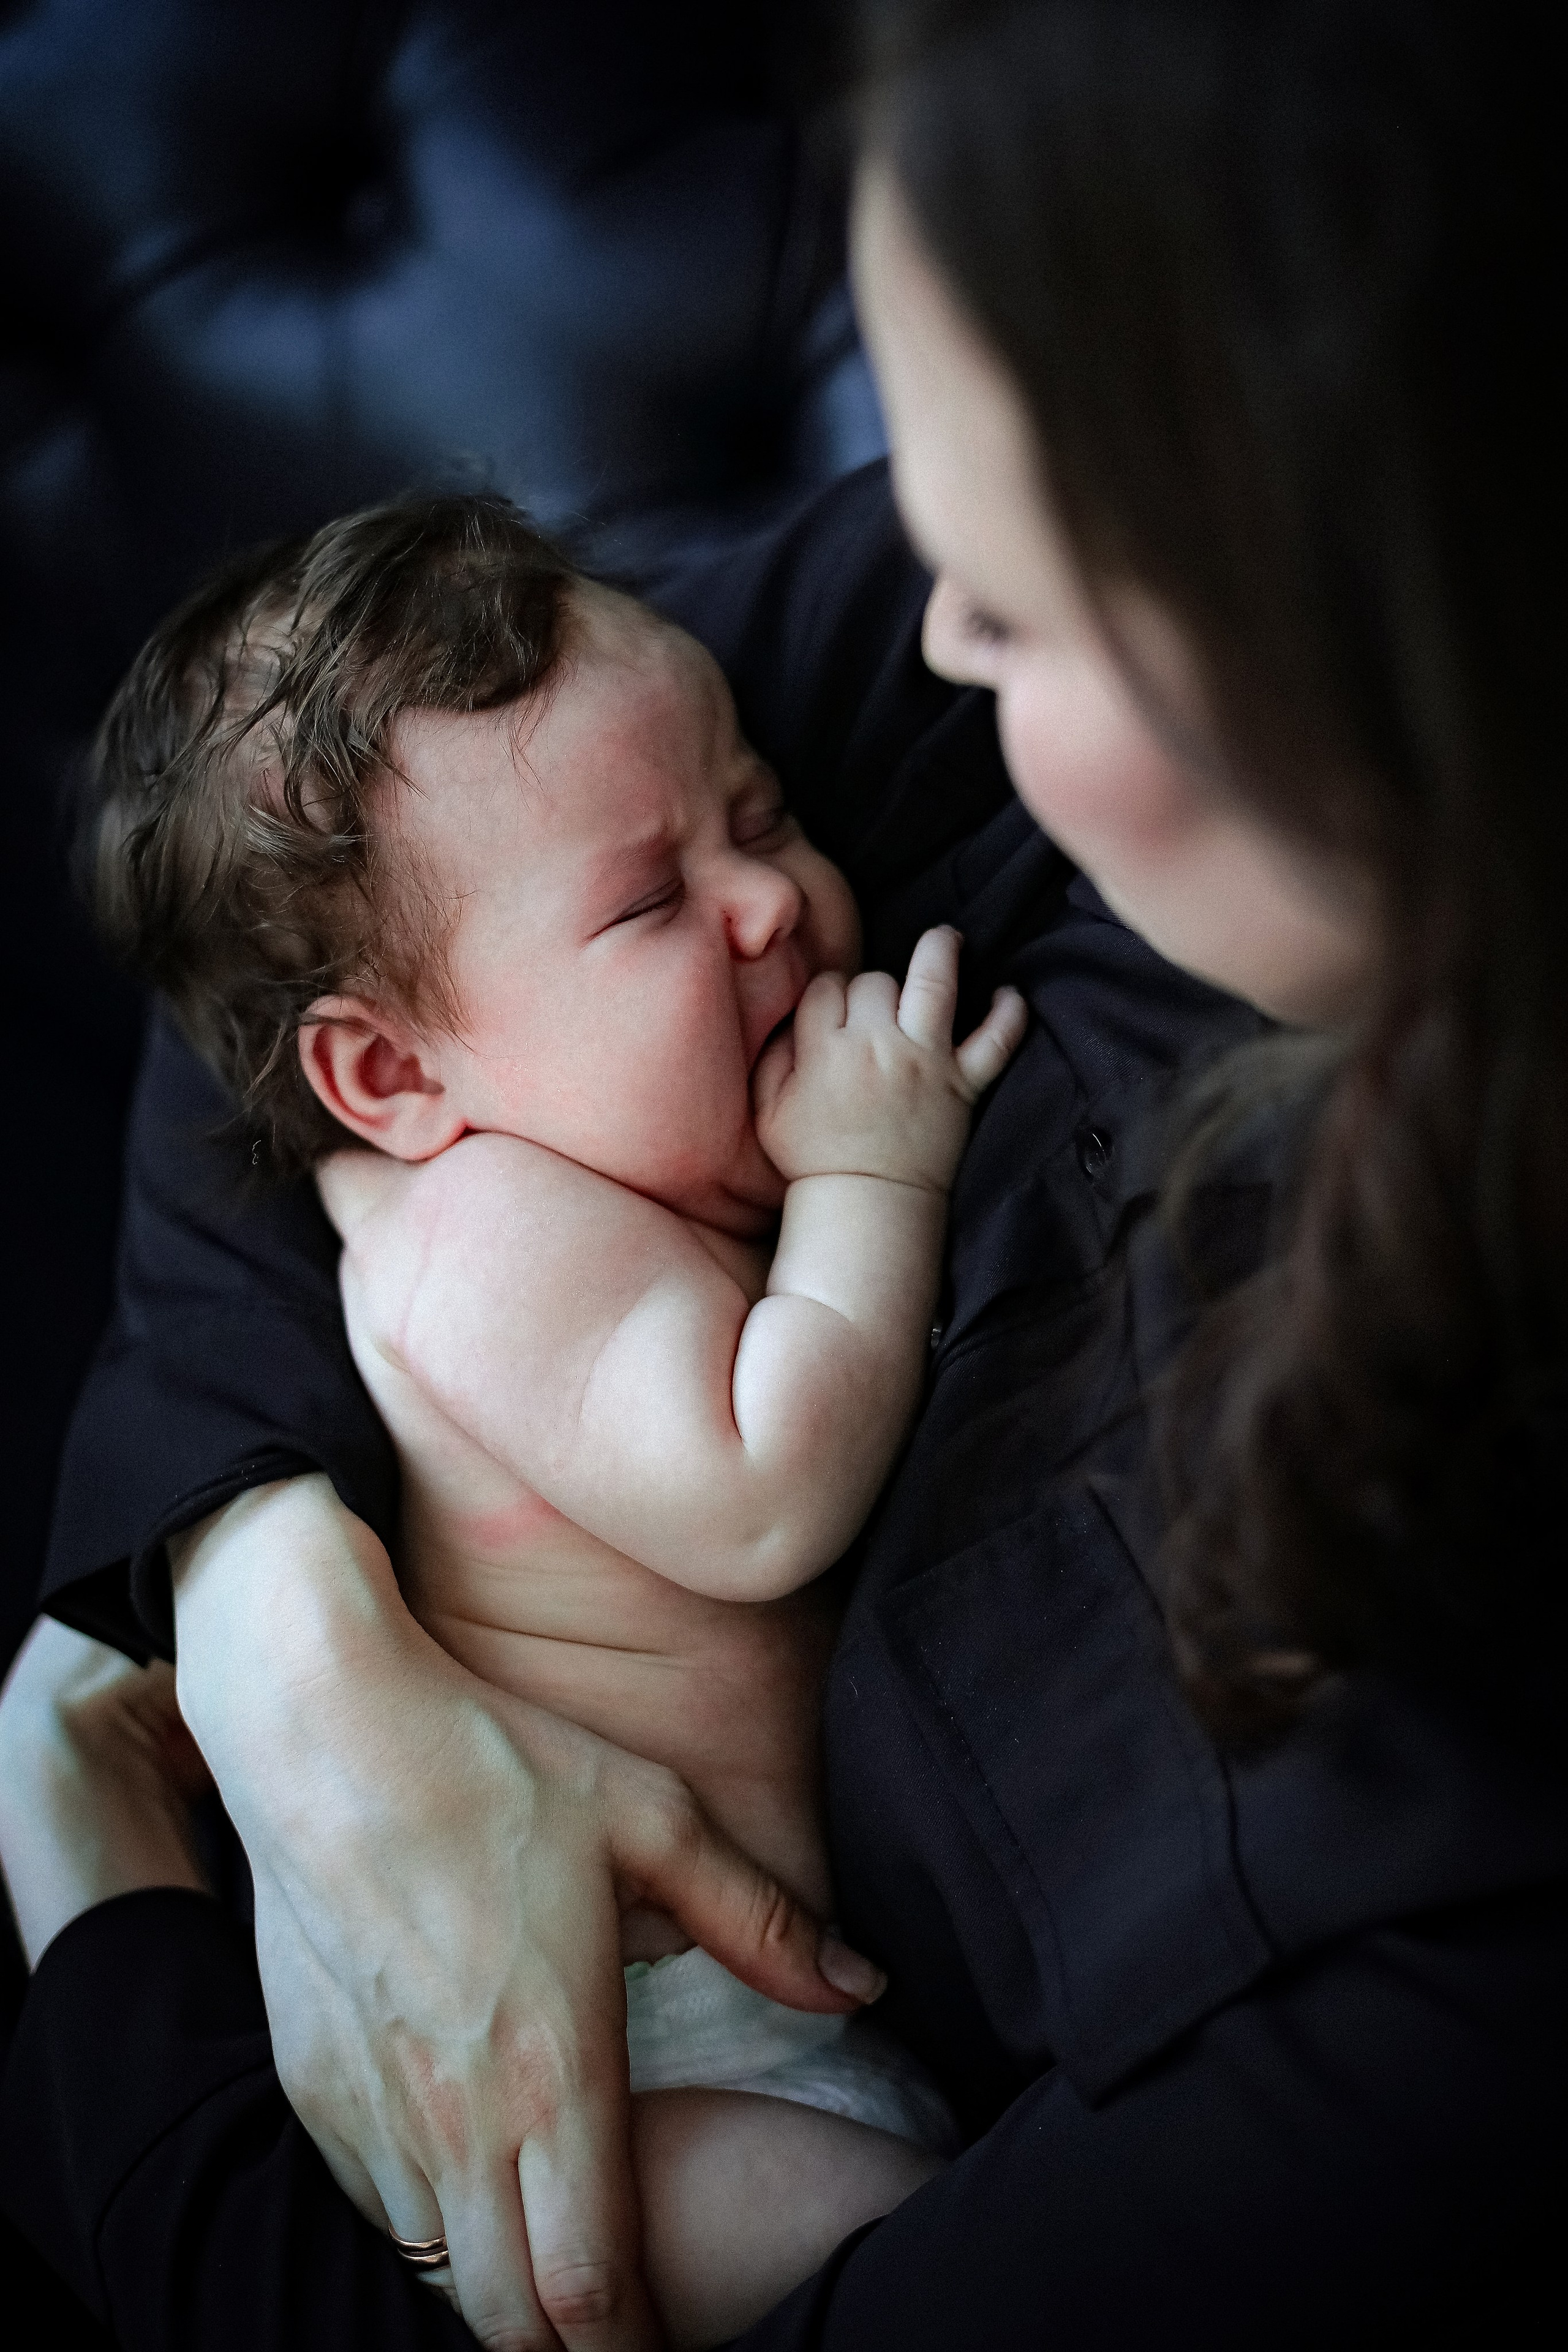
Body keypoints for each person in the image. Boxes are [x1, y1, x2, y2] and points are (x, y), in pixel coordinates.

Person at [3, 2, 1564, 2346]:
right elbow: (316, 901)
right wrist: (279, 1634)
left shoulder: (1434, 1944)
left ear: (1306, 621)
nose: (924, 631)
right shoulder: (975, 780)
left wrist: (95, 1913)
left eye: (1009, 600)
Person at [80, 490, 1028, 2337]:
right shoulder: (483, 1237)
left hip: (759, 1997)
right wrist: (871, 1178)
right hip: (634, 2053)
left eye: (754, 812)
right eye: (653, 901)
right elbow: (759, 1488)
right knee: (913, 2258)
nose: (770, 900)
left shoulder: (559, 1164)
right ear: (390, 1072)